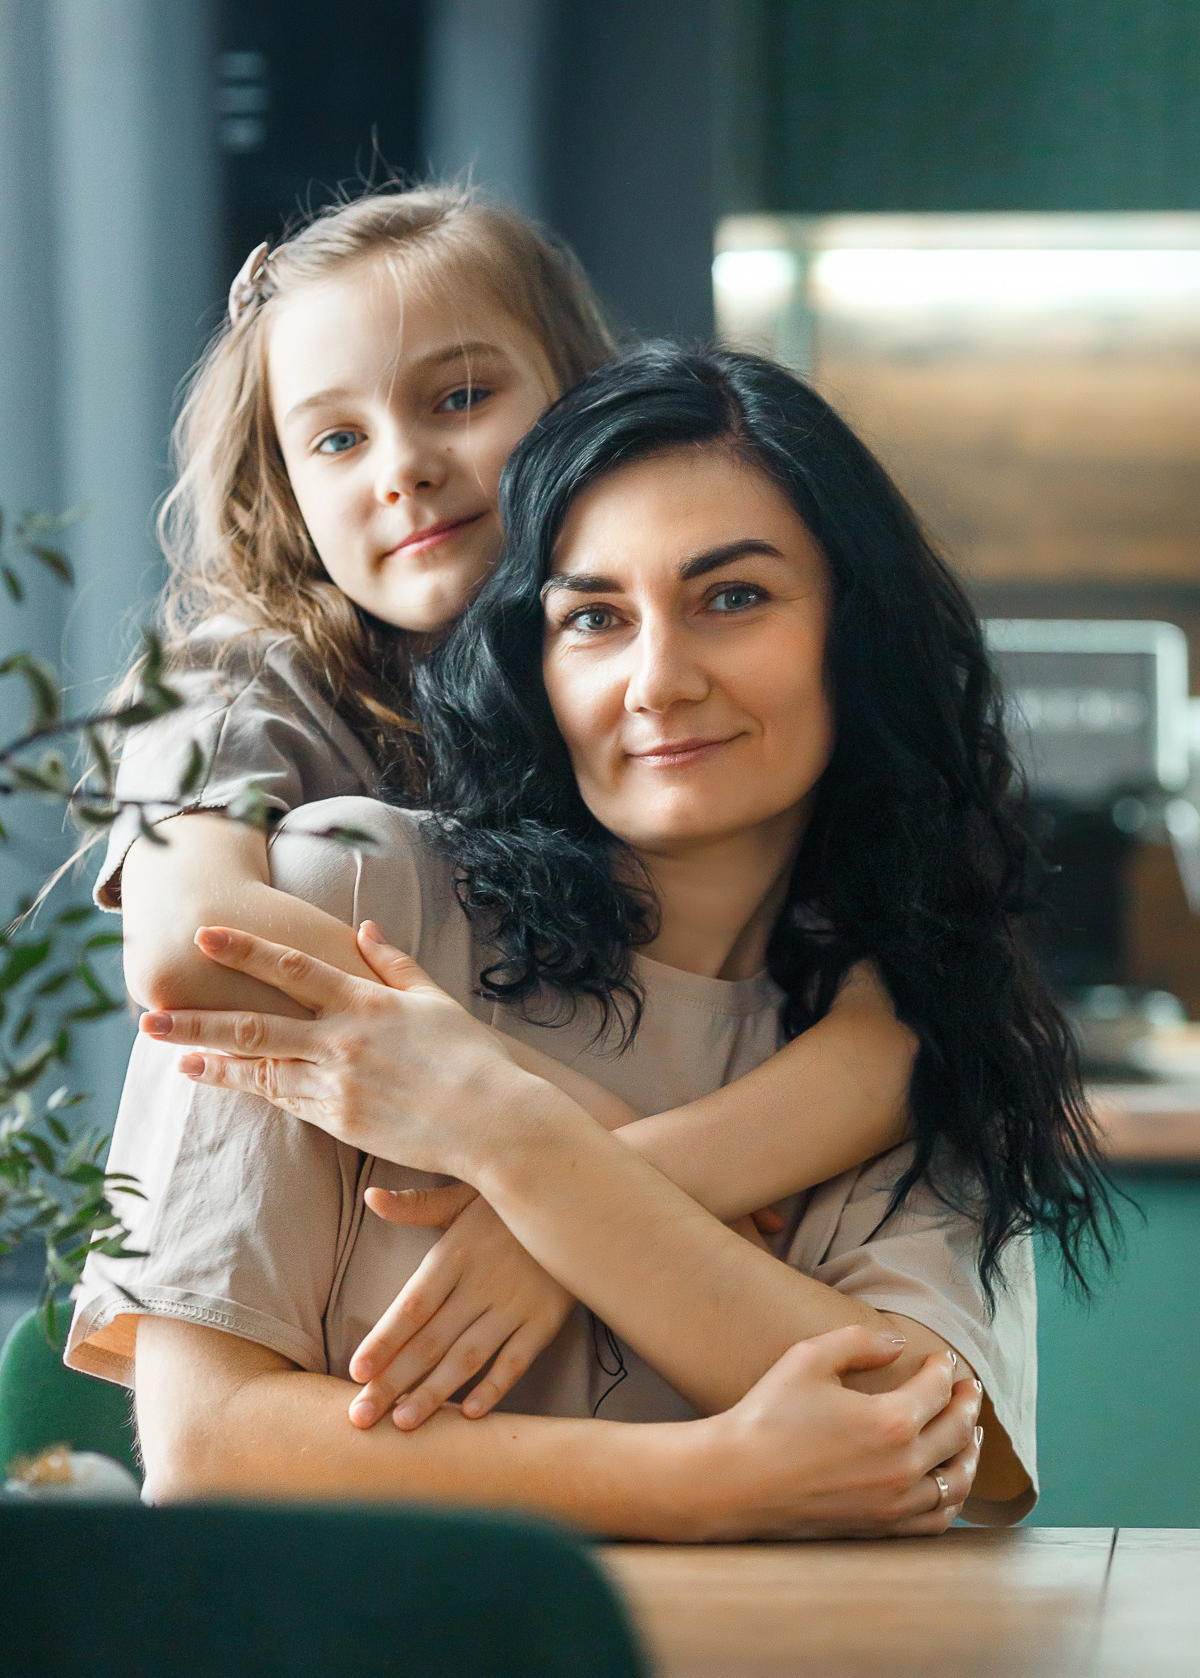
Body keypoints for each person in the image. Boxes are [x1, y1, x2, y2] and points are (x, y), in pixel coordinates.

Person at [69, 346, 1112, 1535]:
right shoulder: (348, 897)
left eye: (734, 598)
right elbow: (208, 1447)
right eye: (595, 619)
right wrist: (716, 1478)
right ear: (532, 660)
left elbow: (914, 1439)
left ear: (858, 633)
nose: (658, 680)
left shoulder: (914, 1041)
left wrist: (511, 1139)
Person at [95, 188, 919, 1432]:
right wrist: (547, 1123)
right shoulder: (237, 684)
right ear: (282, 494)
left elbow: (895, 1048)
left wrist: (595, 1186)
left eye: (460, 399)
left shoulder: (667, 721)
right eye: (336, 441)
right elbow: (190, 948)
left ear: (583, 403)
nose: (406, 466)